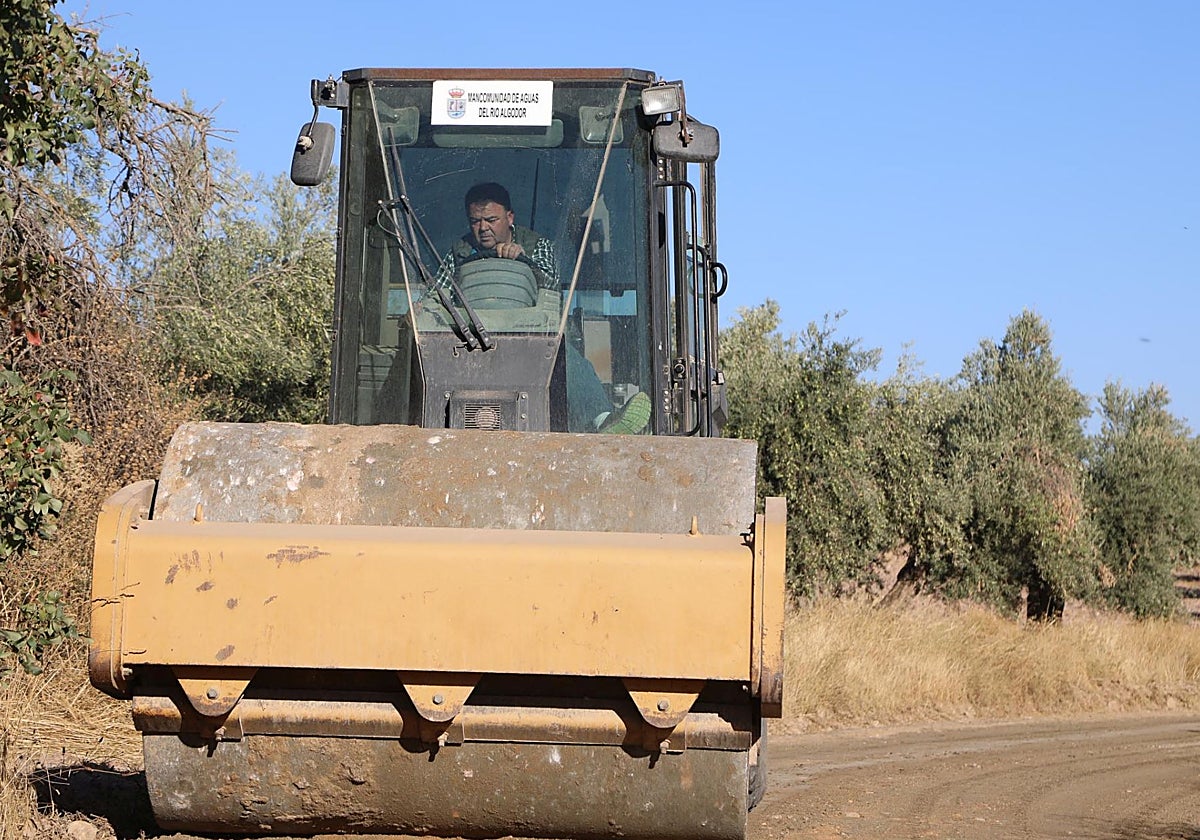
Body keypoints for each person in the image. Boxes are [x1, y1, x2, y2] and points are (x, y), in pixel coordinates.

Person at [435, 181, 649, 435]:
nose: (483, 228)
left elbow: (551, 284)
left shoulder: (538, 247)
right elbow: (436, 294)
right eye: (475, 221)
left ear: (510, 217)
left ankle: (602, 421)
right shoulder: (459, 252)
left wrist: (523, 260)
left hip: (530, 336)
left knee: (564, 355)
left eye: (491, 219)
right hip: (469, 339)